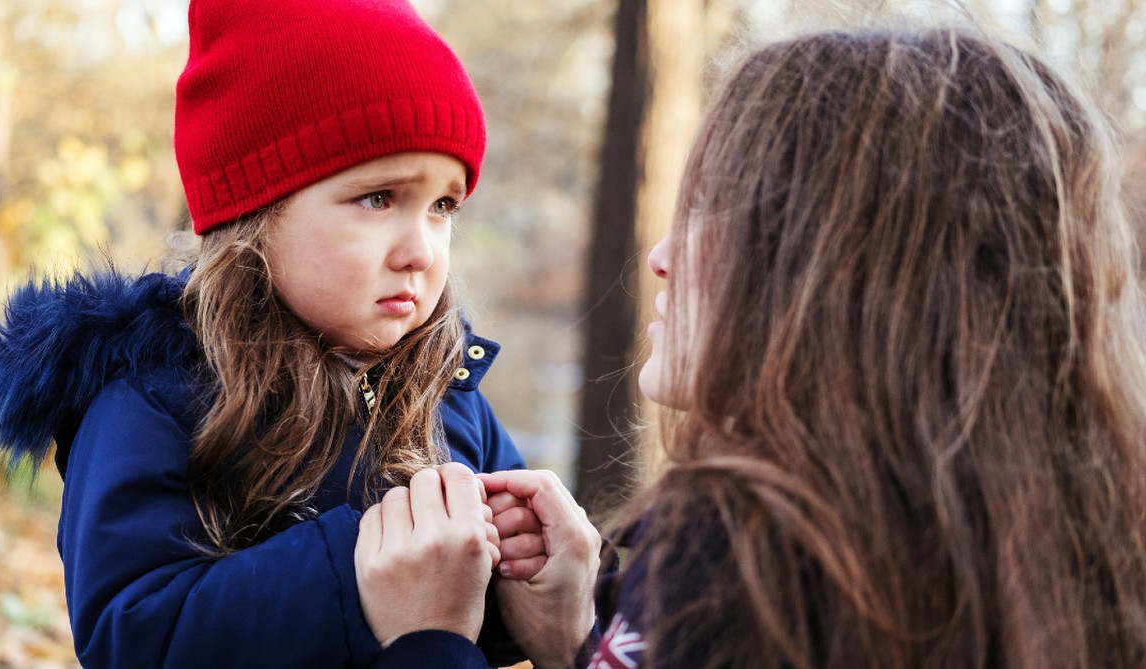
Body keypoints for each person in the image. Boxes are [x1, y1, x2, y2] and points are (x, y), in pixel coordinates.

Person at [362, 23, 1146, 669]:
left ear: (841, 271)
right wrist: (580, 641)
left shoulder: (749, 563)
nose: (661, 254)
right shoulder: (1040, 559)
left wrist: (426, 638)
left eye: (712, 211)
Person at [0, 0, 542, 666]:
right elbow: (132, 634)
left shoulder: (449, 392)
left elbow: (478, 612)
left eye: (443, 205)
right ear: (256, 210)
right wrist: (358, 581)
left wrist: (528, 566)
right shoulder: (157, 401)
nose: (422, 250)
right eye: (379, 198)